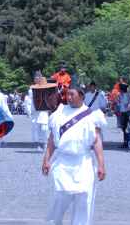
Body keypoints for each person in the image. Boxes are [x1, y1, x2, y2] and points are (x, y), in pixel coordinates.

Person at [42, 86, 106, 225]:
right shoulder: (59, 113)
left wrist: (101, 165)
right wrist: (46, 160)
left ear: (82, 96)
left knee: (84, 196)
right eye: (67, 94)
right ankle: (55, 222)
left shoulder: (91, 115)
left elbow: (96, 142)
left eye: (72, 94)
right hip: (63, 161)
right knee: (60, 196)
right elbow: (52, 139)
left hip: (83, 161)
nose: (68, 97)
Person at [29, 72, 52, 152]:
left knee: (44, 128)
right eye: (36, 78)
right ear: (34, 79)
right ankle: (38, 145)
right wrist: (29, 112)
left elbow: (49, 99)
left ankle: (45, 143)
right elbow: (30, 101)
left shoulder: (46, 88)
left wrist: (49, 109)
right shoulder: (31, 89)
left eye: (39, 78)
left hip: (44, 111)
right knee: (37, 129)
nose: (37, 79)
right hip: (35, 112)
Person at [116, 83, 130, 148]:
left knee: (127, 128)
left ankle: (127, 142)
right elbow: (118, 103)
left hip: (127, 113)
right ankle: (125, 142)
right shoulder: (120, 95)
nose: (119, 90)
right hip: (122, 113)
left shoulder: (128, 95)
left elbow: (129, 103)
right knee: (123, 128)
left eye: (120, 89)